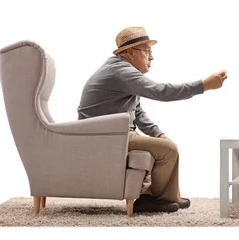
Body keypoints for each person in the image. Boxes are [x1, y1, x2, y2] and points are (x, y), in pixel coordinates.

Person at [77, 26, 228, 213]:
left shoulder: (121, 70)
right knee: (168, 149)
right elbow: (161, 91)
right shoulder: (121, 72)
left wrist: (159, 133)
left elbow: (137, 111)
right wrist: (203, 85)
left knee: (162, 144)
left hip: (112, 132)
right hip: (103, 135)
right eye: (147, 51)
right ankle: (156, 198)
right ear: (131, 53)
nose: (152, 57)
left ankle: (163, 197)